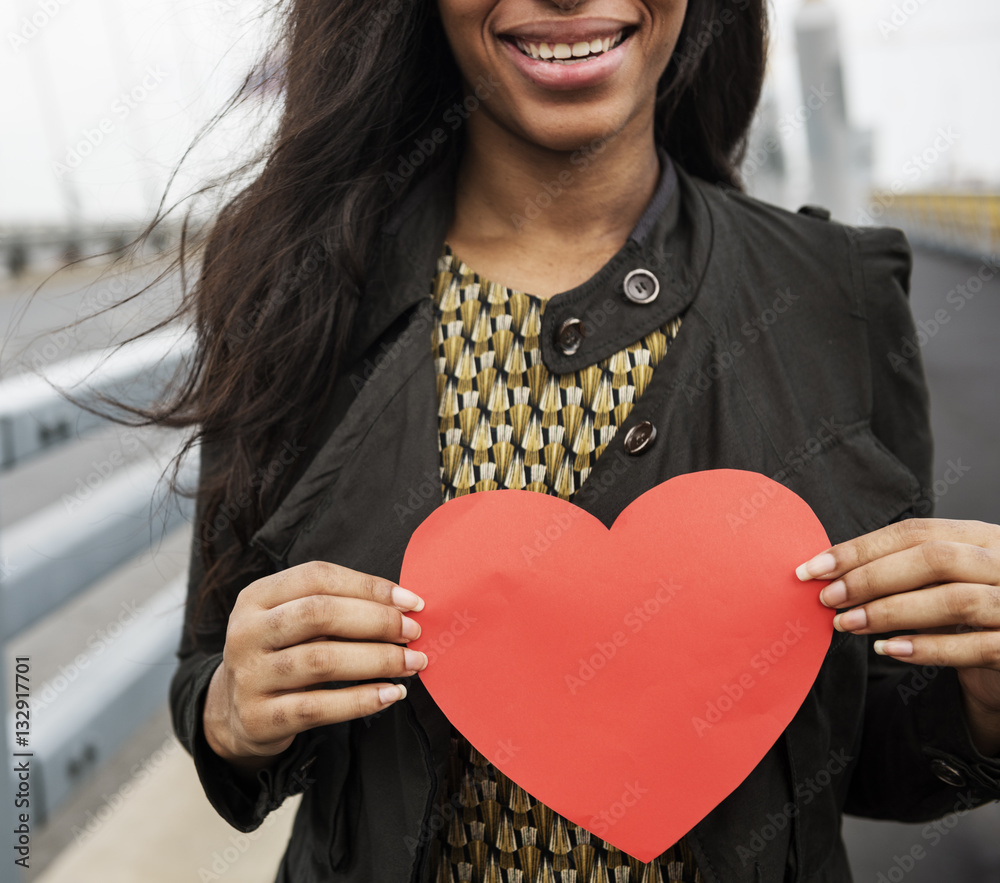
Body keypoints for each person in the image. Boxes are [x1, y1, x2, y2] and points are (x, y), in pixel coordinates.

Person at [161, 0, 1000, 881]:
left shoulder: (840, 296)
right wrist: (231, 714)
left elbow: (873, 739)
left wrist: (983, 705)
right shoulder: (301, 288)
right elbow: (210, 665)